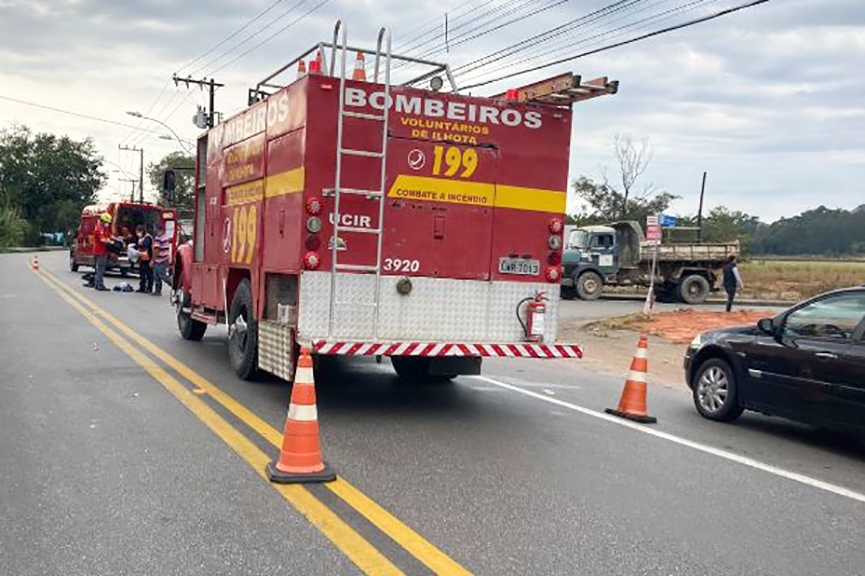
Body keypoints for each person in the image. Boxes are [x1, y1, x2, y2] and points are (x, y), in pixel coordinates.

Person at [87, 213, 113, 291]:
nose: (107, 224)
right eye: (106, 222)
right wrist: (110, 242)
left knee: (99, 268)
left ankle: (97, 284)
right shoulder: (99, 229)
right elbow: (102, 239)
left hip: (101, 251)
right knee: (100, 269)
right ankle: (99, 285)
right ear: (102, 221)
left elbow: (109, 235)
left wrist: (116, 239)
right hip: (100, 252)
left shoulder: (103, 228)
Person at [151, 224, 172, 296]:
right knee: (156, 275)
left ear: (156, 228)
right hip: (164, 258)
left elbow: (156, 250)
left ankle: (174, 286)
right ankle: (157, 290)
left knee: (162, 275)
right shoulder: (165, 237)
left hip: (160, 259)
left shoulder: (158, 238)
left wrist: (152, 260)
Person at [134, 224, 154, 293]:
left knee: (148, 273)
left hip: (148, 258)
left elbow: (146, 245)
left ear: (141, 231)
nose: (137, 234)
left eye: (138, 232)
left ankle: (149, 288)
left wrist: (139, 246)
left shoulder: (147, 237)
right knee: (142, 273)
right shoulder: (141, 237)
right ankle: (142, 287)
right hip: (142, 258)